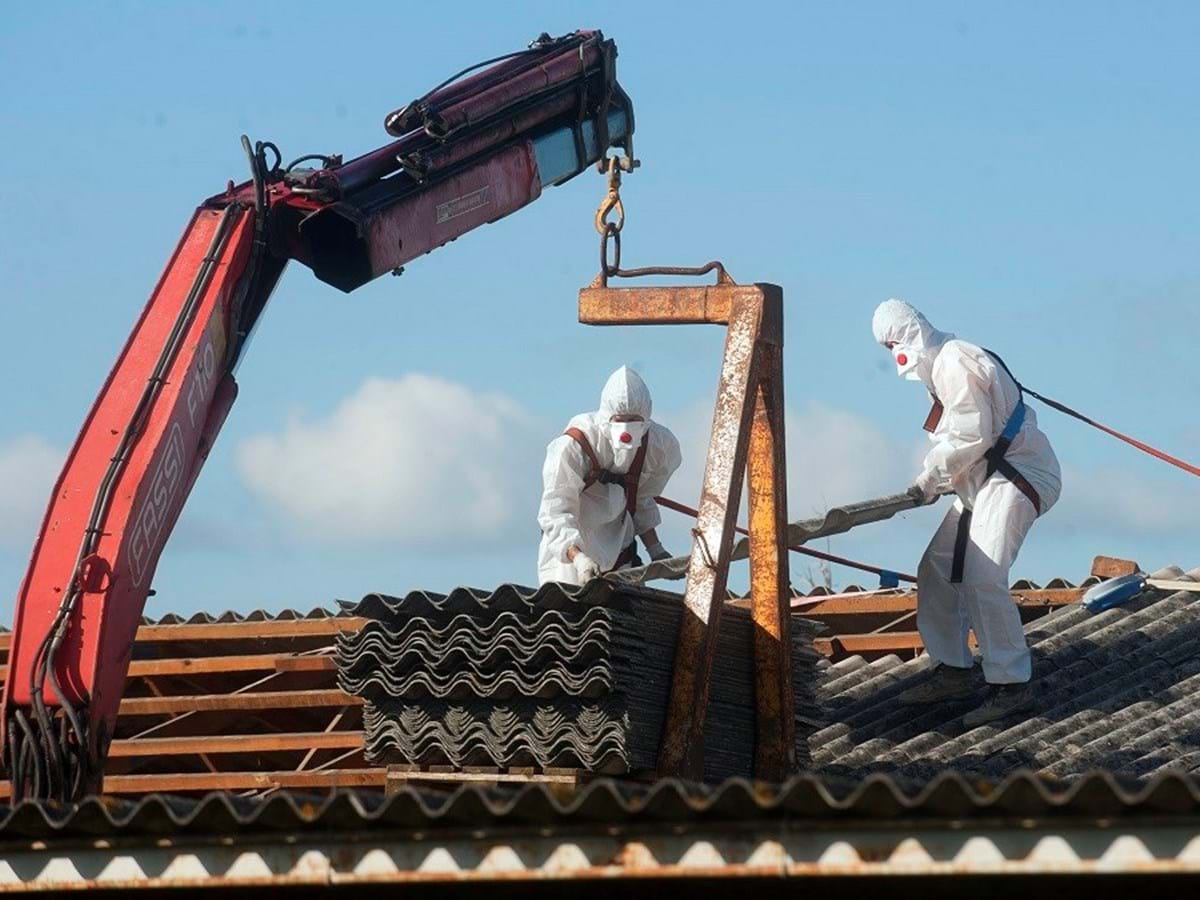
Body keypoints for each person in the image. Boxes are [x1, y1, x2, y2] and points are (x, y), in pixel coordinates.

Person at [871, 299, 1062, 726]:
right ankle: (953, 669)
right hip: (982, 482)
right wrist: (938, 479)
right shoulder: (939, 371)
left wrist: (930, 477)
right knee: (936, 570)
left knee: (982, 574)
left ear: (908, 336)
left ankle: (1011, 684)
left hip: (1016, 475)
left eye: (892, 345)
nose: (893, 356)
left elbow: (970, 436)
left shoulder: (955, 362)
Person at [538, 366, 682, 585]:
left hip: (622, 558)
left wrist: (657, 551)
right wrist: (579, 559)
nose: (626, 429)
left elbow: (641, 499)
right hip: (569, 560)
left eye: (634, 420)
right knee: (570, 614)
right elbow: (555, 512)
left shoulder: (657, 446)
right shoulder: (574, 447)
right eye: (619, 419)